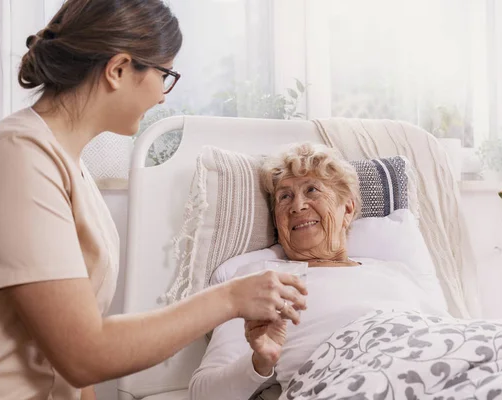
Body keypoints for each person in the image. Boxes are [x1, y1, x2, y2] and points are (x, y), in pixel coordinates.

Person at [0, 1, 306, 399]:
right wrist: (232, 297)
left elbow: (79, 369)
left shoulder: (71, 167)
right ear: (118, 70)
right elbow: (82, 352)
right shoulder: (16, 156)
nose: (164, 97)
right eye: (164, 74)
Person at [188, 143, 449, 400]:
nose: (297, 206)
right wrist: (259, 362)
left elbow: (450, 337)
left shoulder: (397, 272)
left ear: (347, 209)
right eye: (284, 197)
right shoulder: (261, 281)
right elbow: (204, 394)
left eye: (312, 190)